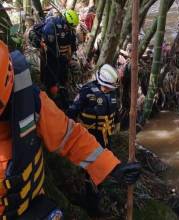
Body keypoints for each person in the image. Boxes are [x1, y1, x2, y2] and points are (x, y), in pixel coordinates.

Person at [0, 40, 140, 219]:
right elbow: (74, 112)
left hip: (31, 206)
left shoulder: (30, 102)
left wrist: (112, 167)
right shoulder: (88, 92)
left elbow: (69, 135)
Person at [67, 64, 120, 150]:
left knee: (106, 156)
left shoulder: (112, 93)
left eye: (111, 87)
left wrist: (118, 122)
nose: (109, 89)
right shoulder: (87, 91)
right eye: (107, 87)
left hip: (106, 135)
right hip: (89, 135)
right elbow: (72, 111)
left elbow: (115, 108)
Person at [40, 9, 78, 108]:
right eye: (69, 26)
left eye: (71, 27)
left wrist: (69, 59)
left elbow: (72, 47)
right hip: (51, 60)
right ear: (65, 20)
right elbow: (50, 48)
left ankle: (62, 97)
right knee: (52, 83)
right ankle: (51, 102)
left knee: (62, 81)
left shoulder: (70, 31)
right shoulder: (51, 26)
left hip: (63, 61)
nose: (69, 29)